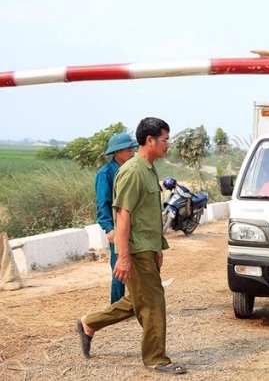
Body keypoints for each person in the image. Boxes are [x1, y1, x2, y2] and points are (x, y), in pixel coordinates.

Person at [77, 117, 187, 375]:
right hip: (135, 250)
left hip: (146, 248)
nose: (167, 145)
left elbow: (147, 215)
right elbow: (123, 216)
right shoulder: (132, 171)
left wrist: (158, 247)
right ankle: (155, 357)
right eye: (165, 139)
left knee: (136, 300)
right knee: (152, 301)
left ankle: (88, 323)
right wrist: (123, 257)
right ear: (150, 140)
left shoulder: (148, 169)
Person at [95, 132, 138, 304]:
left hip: (135, 226)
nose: (131, 153)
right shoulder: (105, 174)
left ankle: (135, 304)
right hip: (117, 227)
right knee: (119, 269)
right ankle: (117, 306)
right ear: (117, 152)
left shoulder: (133, 170)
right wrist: (109, 228)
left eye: (132, 149)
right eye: (128, 150)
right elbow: (102, 203)